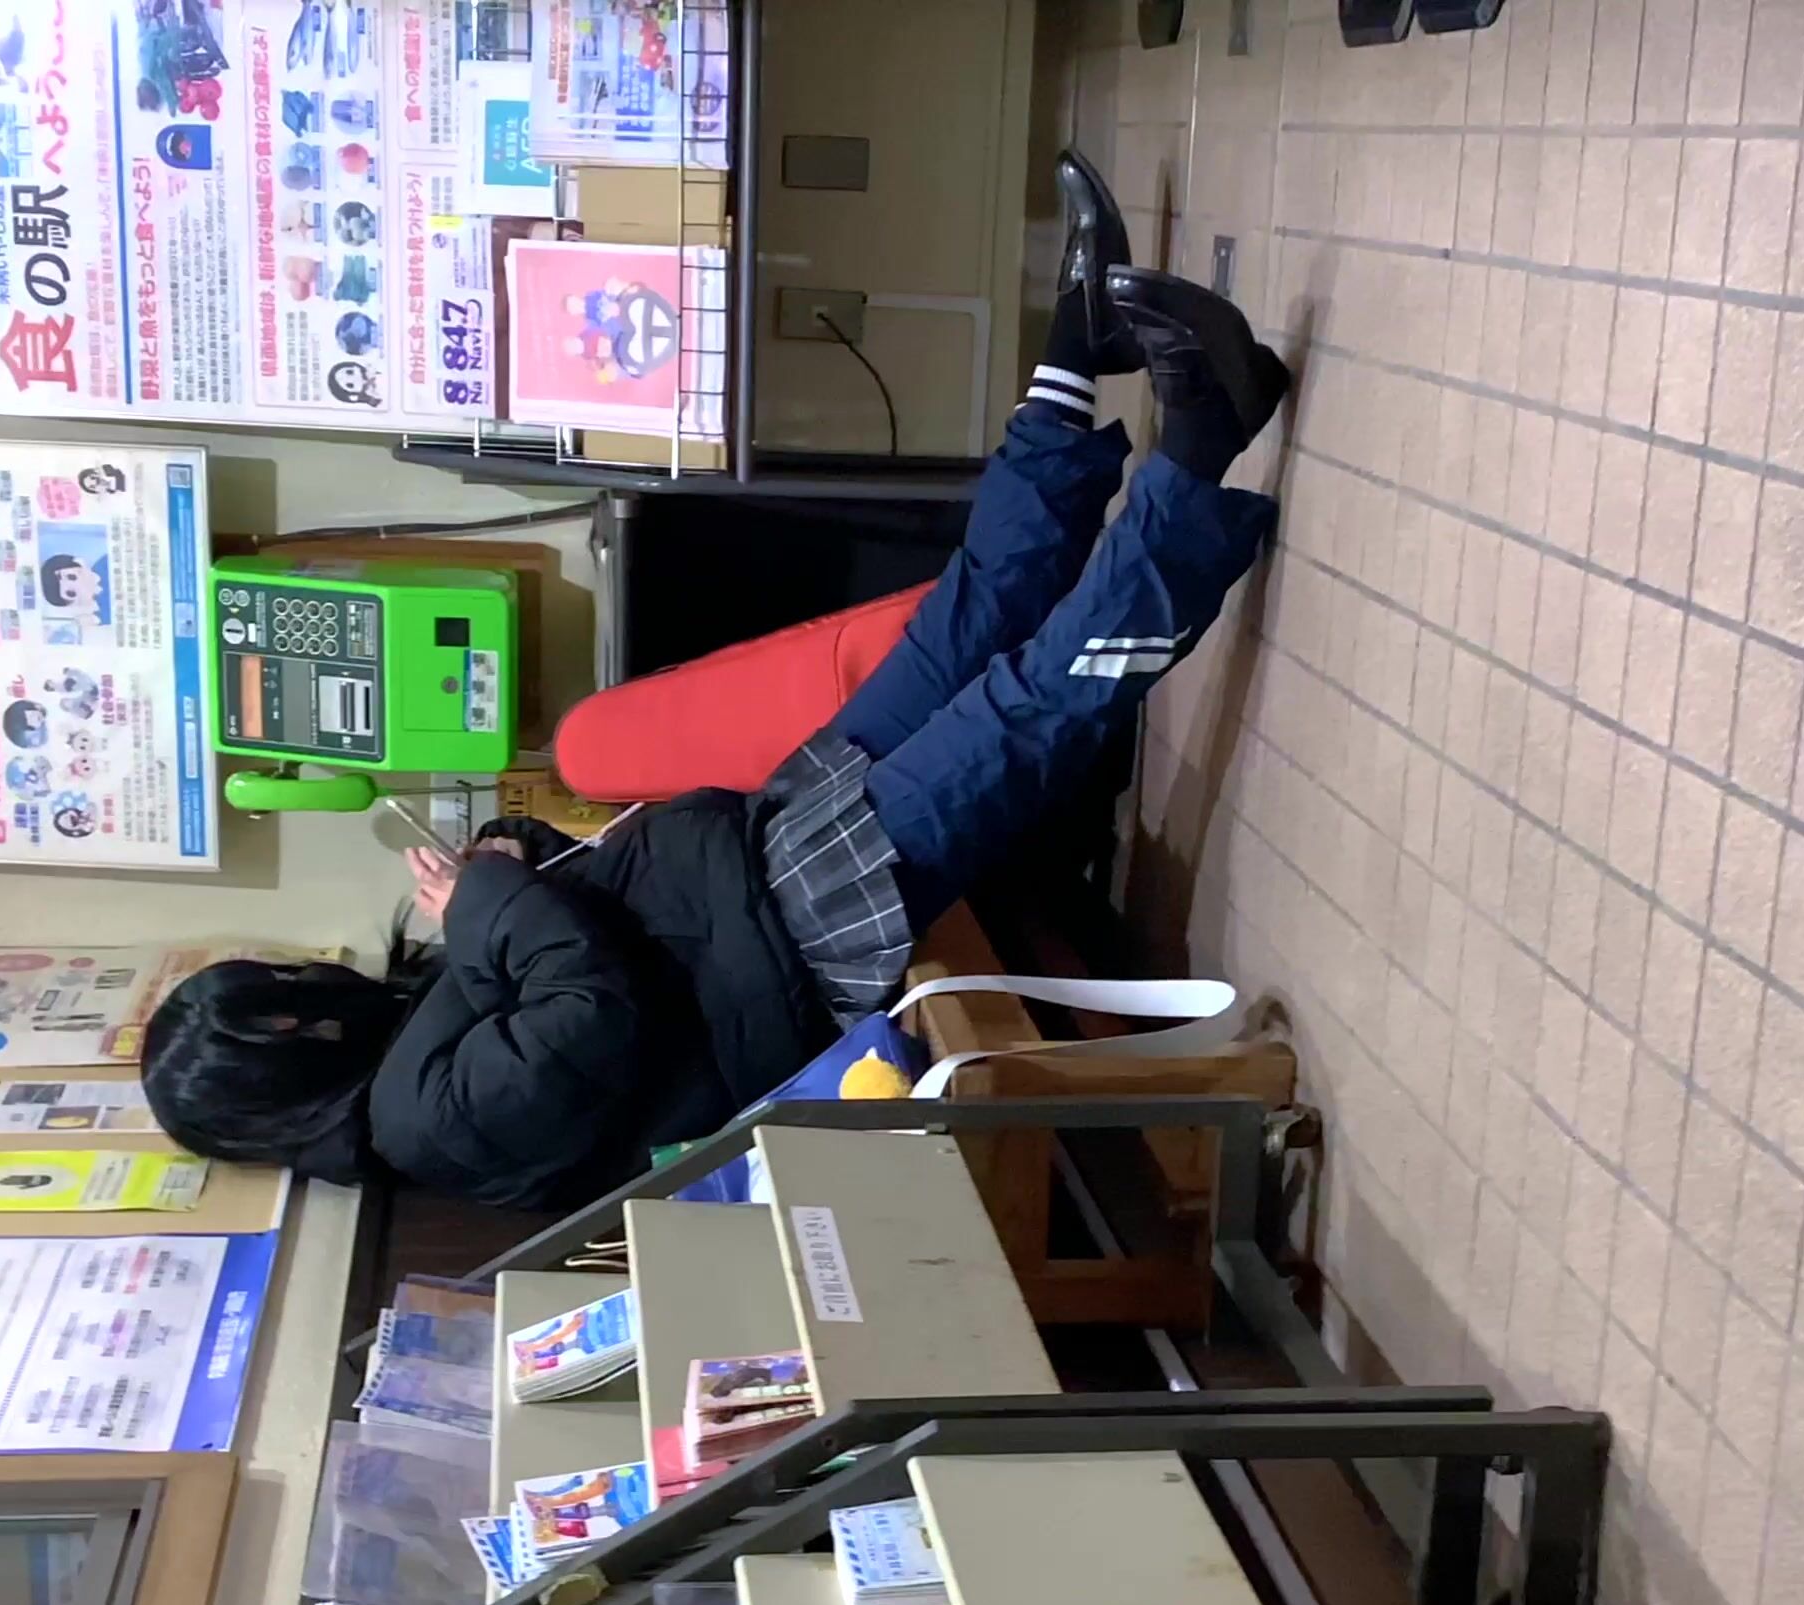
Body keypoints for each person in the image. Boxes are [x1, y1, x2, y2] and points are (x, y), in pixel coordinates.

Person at [145, 155, 1288, 1214]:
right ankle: (1200, 448)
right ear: (282, 1042)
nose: (307, 981)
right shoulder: (422, 1128)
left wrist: (503, 853)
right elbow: (594, 1011)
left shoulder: (407, 1046)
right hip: (799, 929)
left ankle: (1074, 355)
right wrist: (485, 902)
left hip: (759, 849)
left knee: (965, 621)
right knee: (1025, 711)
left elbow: (566, 926)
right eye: (281, 996)